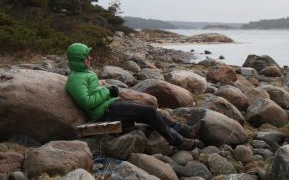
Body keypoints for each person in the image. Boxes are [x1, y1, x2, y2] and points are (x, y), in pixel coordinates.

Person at [65, 42, 203, 150]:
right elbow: (87, 102)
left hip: (110, 106)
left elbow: (91, 91)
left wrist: (102, 86)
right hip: (105, 112)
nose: (90, 58)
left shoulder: (82, 73)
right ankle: (179, 141)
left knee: (150, 111)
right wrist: (108, 91)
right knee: (149, 112)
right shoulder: (76, 79)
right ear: (79, 59)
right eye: (86, 56)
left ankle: (186, 130)